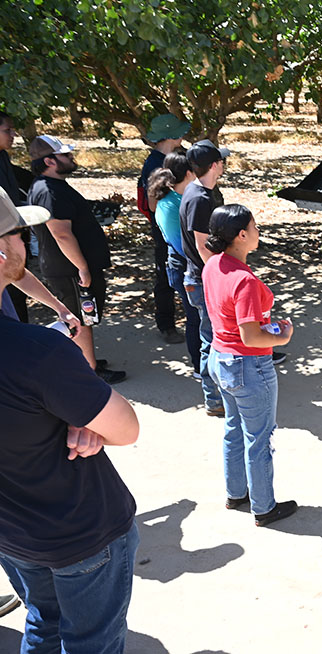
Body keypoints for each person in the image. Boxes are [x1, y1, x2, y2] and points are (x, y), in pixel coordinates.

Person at [0, 184, 141, 653]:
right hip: (79, 534)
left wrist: (67, 410)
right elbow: (126, 427)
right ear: (4, 250)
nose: (27, 242)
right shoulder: (38, 352)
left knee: (42, 622)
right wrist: (82, 414)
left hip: (13, 533)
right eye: (20, 233)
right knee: (91, 640)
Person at [202, 204, 297, 527]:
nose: (258, 231)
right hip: (248, 365)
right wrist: (283, 337)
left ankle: (236, 493)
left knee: (233, 428)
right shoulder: (244, 280)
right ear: (241, 235)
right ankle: (264, 507)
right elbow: (251, 335)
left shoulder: (213, 264)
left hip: (220, 359)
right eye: (254, 227)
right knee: (259, 437)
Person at [27, 134, 126, 384]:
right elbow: (61, 233)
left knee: (85, 316)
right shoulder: (49, 190)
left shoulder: (51, 186)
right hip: (68, 269)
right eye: (65, 155)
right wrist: (82, 267)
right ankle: (89, 372)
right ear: (49, 161)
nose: (71, 158)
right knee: (80, 317)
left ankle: (86, 359)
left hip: (69, 267)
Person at [180, 139, 229, 415]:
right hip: (203, 280)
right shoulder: (199, 198)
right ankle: (213, 399)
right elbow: (202, 245)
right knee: (211, 339)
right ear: (214, 165)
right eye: (221, 160)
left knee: (212, 336)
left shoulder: (199, 191)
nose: (224, 163)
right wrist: (221, 278)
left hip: (201, 277)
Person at [138, 113, 190, 345]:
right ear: (172, 135)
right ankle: (166, 324)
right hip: (165, 229)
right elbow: (152, 201)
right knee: (166, 275)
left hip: (174, 227)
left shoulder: (169, 158)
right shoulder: (155, 164)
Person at [148, 152, 202, 370]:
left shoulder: (172, 199)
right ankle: (200, 366)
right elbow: (184, 245)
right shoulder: (173, 205)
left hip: (184, 265)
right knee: (196, 318)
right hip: (186, 267)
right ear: (189, 173)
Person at [0, 110, 32, 323]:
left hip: (14, 232)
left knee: (18, 291)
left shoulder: (3, 155)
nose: (13, 135)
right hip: (3, 239)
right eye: (7, 130)